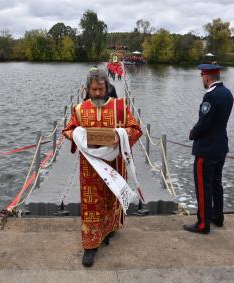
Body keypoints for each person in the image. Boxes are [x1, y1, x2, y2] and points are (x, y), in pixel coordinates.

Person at [62, 68, 142, 267]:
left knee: (110, 200)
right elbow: (67, 130)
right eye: (93, 89)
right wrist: (78, 136)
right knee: (91, 205)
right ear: (88, 89)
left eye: (100, 88)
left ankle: (107, 230)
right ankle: (90, 245)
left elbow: (135, 129)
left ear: (107, 87)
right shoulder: (80, 110)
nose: (97, 93)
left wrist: (119, 136)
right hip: (90, 167)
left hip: (114, 165)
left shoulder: (120, 107)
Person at [183, 64, 234, 234]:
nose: (202, 80)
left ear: (206, 76)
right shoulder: (227, 93)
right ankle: (217, 217)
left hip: (206, 149)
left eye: (202, 76)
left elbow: (204, 123)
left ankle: (203, 224)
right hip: (220, 147)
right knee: (216, 184)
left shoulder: (211, 96)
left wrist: (192, 133)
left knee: (203, 187)